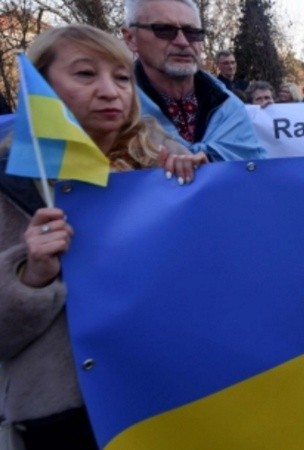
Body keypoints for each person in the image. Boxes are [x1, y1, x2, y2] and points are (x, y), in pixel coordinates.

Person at [0, 24, 206, 450]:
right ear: (42, 85)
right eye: (85, 74)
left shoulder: (165, 158)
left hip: (171, 391)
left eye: (122, 77)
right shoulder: (12, 182)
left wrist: (199, 194)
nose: (111, 91)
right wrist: (31, 274)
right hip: (66, 416)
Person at [122, 0, 266, 161]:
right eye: (164, 30)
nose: (182, 42)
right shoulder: (113, 109)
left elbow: (257, 171)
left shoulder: (230, 107)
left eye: (192, 32)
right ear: (131, 38)